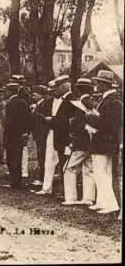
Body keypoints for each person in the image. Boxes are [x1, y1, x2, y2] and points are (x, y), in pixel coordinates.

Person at [85, 70, 122, 214]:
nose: (96, 85)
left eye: (98, 83)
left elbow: (107, 124)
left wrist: (89, 118)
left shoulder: (112, 102)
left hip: (104, 142)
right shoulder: (108, 100)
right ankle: (101, 201)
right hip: (103, 141)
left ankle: (111, 204)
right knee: (101, 172)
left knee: (102, 173)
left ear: (104, 85)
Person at [35, 75, 74, 195]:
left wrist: (52, 120)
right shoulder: (52, 100)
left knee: (64, 162)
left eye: (56, 88)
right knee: (49, 160)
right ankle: (47, 187)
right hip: (52, 132)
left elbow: (68, 120)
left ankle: (64, 190)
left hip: (64, 135)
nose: (54, 91)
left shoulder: (72, 100)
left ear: (64, 87)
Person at [61, 78, 96, 206]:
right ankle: (88, 198)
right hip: (92, 141)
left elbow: (81, 124)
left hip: (81, 141)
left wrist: (74, 123)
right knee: (89, 169)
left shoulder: (81, 102)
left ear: (79, 89)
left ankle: (71, 197)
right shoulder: (93, 101)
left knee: (68, 168)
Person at [3, 82, 31, 189]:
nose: (5, 93)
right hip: (19, 134)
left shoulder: (12, 103)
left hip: (12, 135)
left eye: (6, 91)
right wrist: (25, 132)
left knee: (12, 158)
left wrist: (6, 132)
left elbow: (10, 121)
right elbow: (27, 119)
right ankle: (16, 180)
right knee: (16, 158)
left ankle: (15, 181)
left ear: (10, 91)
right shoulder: (22, 102)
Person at [30, 85, 52, 186]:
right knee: (41, 156)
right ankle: (42, 177)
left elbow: (42, 121)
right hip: (39, 134)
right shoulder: (39, 104)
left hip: (42, 134)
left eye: (35, 94)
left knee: (42, 156)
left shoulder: (45, 104)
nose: (33, 96)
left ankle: (42, 178)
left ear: (41, 94)